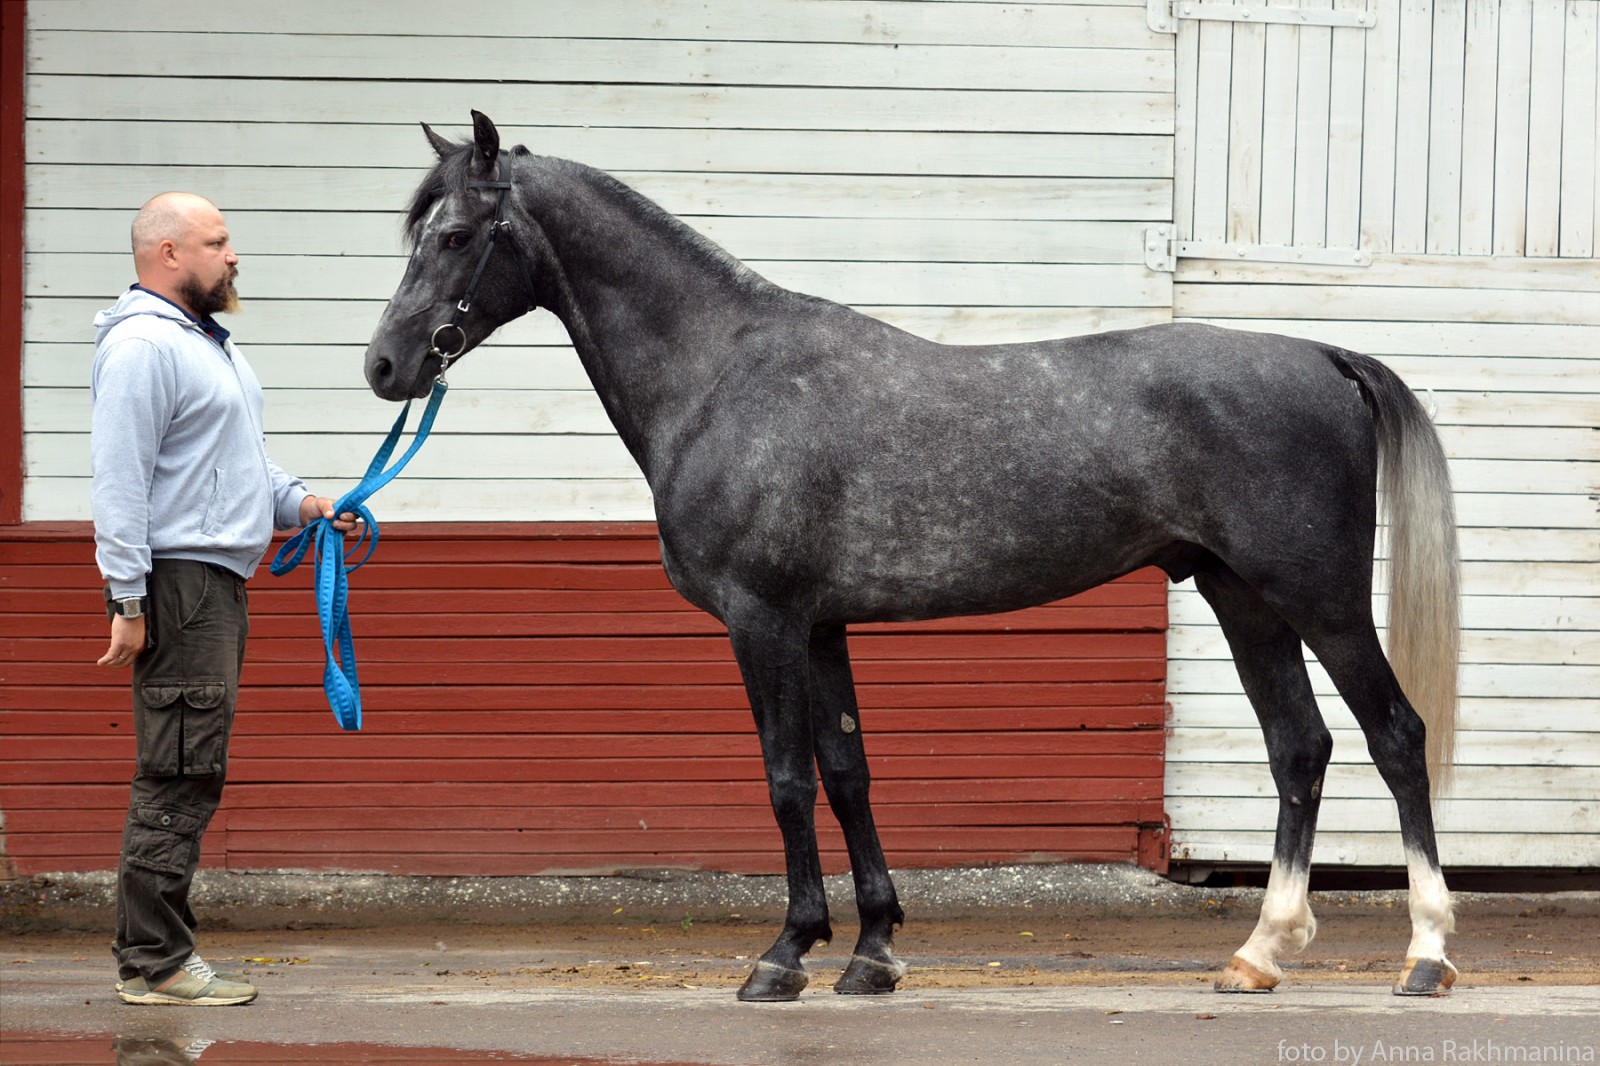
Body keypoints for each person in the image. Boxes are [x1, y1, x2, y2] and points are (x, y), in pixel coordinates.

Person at [91, 192, 358, 1006]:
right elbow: (120, 482)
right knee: (179, 769)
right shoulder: (144, 347)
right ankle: (157, 963)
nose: (233, 255)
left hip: (213, 583)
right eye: (217, 241)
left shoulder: (208, 347)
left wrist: (306, 506)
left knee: (190, 766)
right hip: (181, 587)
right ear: (168, 253)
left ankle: (156, 954)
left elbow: (239, 467)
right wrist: (128, 602)